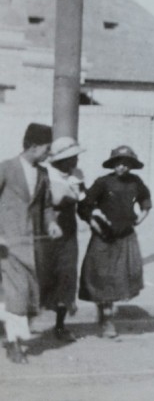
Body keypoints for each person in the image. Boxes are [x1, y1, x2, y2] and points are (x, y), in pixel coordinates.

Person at [78, 145, 152, 339]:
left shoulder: (136, 182)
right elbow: (85, 206)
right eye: (118, 163)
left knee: (121, 277)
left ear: (132, 165)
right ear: (112, 164)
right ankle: (106, 320)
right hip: (104, 237)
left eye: (126, 164)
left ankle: (106, 316)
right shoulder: (103, 182)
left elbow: (145, 200)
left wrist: (140, 217)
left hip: (125, 236)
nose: (122, 167)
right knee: (102, 277)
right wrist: (94, 223)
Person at [0, 122, 53, 364]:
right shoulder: (6, 168)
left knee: (30, 294)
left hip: (34, 245)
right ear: (33, 146)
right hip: (8, 245)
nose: (49, 153)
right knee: (18, 292)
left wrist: (52, 223)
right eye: (46, 148)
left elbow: (46, 205)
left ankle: (12, 334)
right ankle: (14, 343)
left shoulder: (43, 173)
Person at [37, 136, 86, 343]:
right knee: (39, 277)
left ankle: (60, 326)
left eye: (76, 157)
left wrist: (94, 218)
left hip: (68, 233)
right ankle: (19, 325)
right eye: (71, 157)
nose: (75, 161)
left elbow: (83, 202)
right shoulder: (44, 174)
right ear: (60, 159)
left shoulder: (77, 175)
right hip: (44, 233)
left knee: (66, 278)